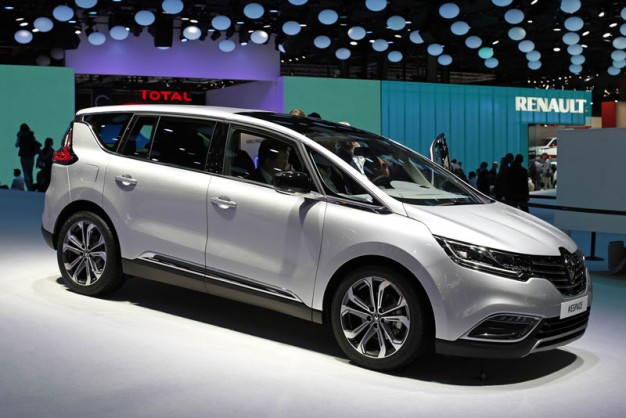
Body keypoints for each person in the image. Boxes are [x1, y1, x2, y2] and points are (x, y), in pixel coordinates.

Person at [15, 123, 41, 191]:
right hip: (31, 155)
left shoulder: (20, 135)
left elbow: (16, 145)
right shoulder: (31, 135)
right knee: (30, 172)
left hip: (23, 156)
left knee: (25, 172)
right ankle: (31, 187)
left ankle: (28, 187)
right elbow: (35, 142)